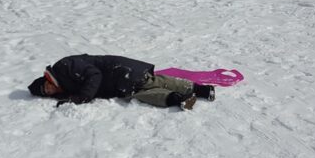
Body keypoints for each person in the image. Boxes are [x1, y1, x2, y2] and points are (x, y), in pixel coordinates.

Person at [27, 54, 216, 110]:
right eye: (46, 93)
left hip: (120, 73)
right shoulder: (63, 84)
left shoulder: (64, 66)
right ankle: (190, 95)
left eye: (45, 87)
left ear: (47, 79)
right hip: (120, 77)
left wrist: (82, 97)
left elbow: (94, 75)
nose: (48, 91)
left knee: (149, 86)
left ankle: (189, 95)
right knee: (150, 87)